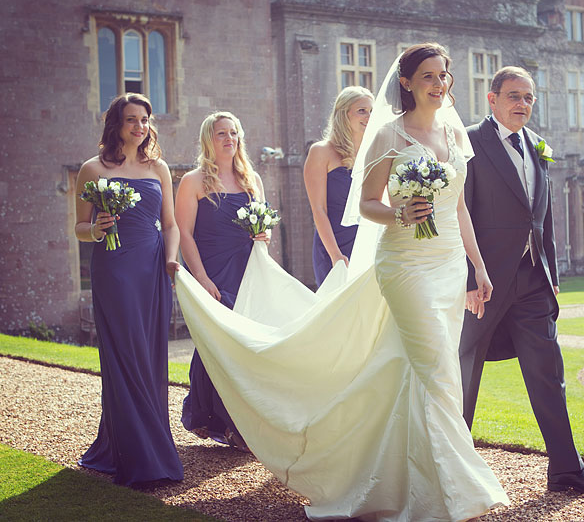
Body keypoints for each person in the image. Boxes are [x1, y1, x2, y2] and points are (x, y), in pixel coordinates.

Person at [174, 43, 508, 521]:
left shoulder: (455, 133)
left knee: (428, 372)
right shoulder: (388, 135)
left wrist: (478, 266)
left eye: (445, 75)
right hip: (406, 266)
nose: (440, 83)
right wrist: (397, 213)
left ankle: (406, 478)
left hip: (449, 265)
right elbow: (367, 204)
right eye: (430, 76)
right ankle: (461, 487)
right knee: (438, 371)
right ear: (408, 82)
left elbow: (458, 207)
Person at [458, 66, 584, 494]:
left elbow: (541, 218)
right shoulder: (470, 142)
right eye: (513, 96)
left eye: (528, 98)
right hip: (485, 283)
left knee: (549, 373)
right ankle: (450, 471)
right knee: (464, 373)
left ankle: (566, 469)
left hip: (533, 282)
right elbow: (461, 213)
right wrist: (469, 277)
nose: (522, 104)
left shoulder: (537, 147)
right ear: (492, 100)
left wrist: (552, 273)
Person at [75, 92, 183, 486]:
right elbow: (79, 229)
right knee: (126, 354)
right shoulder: (92, 168)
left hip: (152, 269)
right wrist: (96, 228)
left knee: (149, 355)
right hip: (114, 270)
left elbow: (169, 224)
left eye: (144, 120)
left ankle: (121, 441)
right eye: (131, 120)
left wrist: (172, 261)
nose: (140, 127)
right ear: (116, 125)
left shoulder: (159, 168)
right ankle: (141, 454)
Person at [175, 111, 269, 451]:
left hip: (248, 269)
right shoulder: (193, 181)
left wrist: (264, 235)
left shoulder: (251, 179)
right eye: (221, 134)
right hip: (213, 270)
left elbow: (264, 223)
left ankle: (235, 422)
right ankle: (222, 420)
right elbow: (184, 233)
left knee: (244, 346)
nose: (229, 139)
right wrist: (200, 278)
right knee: (217, 344)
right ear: (208, 140)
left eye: (233, 133)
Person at [304, 86, 373, 286]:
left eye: (371, 111)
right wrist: (335, 255)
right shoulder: (321, 151)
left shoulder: (373, 154)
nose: (368, 116)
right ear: (344, 114)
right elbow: (318, 210)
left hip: (366, 244)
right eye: (362, 110)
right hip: (333, 245)